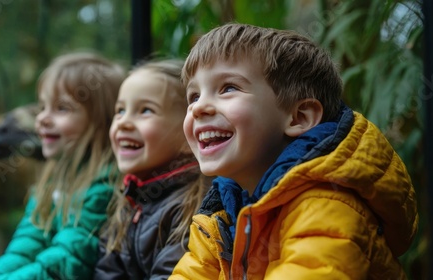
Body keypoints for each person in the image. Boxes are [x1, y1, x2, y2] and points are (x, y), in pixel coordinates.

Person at [170, 23, 418, 279]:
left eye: (228, 88)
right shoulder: (220, 218)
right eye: (194, 96)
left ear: (298, 117)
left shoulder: (327, 204)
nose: (198, 108)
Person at [0, 51, 126, 280]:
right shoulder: (52, 179)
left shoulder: (105, 184)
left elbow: (66, 262)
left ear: (101, 121)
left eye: (62, 108)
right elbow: (26, 244)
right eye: (42, 107)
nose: (41, 119)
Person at [93, 59, 209, 279]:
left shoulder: (193, 205)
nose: (123, 122)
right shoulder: (127, 200)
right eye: (120, 110)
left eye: (145, 110)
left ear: (188, 134)